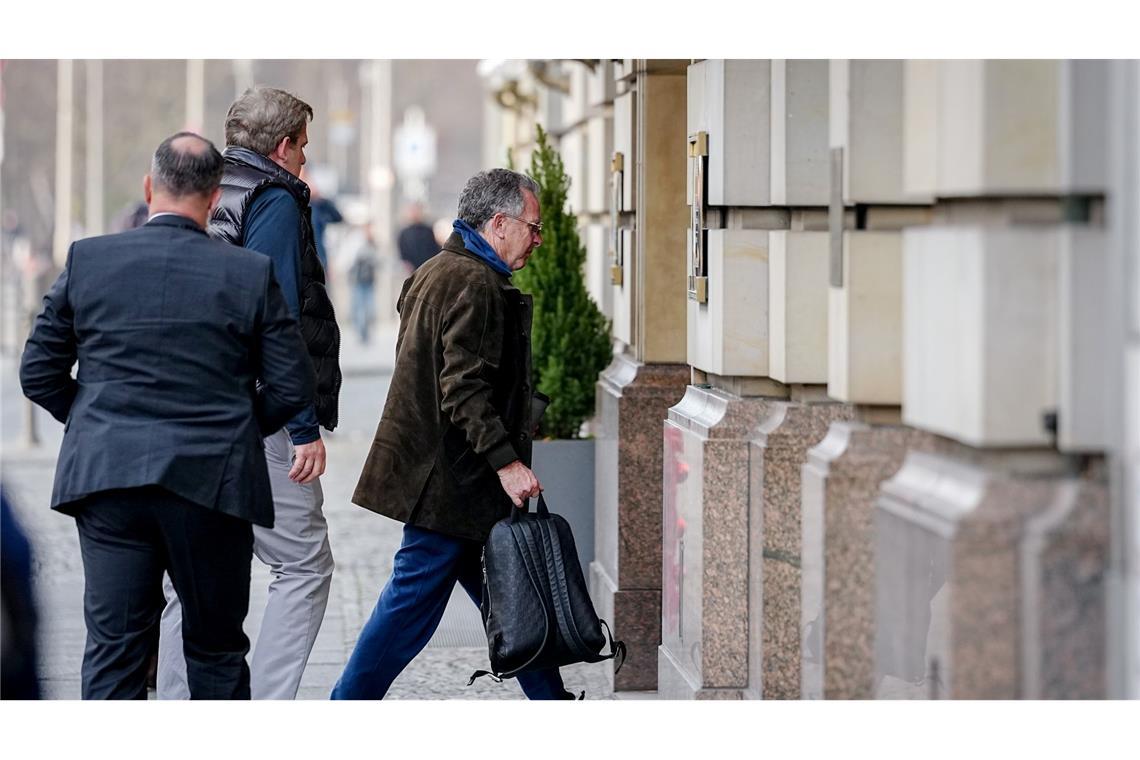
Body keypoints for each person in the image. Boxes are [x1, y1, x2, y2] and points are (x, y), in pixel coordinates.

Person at [19, 132, 315, 699]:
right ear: (212, 198)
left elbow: (38, 373)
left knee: (114, 652)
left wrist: (93, 418)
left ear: (149, 188)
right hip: (212, 484)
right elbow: (291, 383)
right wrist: (238, 426)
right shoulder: (247, 272)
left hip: (109, 482)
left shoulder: (89, 259)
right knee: (215, 652)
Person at [331, 168, 575, 700]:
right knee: (409, 608)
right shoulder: (475, 283)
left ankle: (553, 704)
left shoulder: (437, 270)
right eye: (533, 227)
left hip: (449, 479)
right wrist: (508, 462)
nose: (538, 239)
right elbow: (461, 389)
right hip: (447, 484)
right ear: (499, 223)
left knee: (512, 597)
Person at [158, 86, 342, 701]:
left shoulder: (204, 190)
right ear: (284, 145)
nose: (305, 164)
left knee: (190, 572)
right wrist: (302, 426)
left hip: (194, 405)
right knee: (303, 564)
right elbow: (278, 315)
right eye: (305, 150)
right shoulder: (274, 200)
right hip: (258, 412)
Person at [347, 226, 377, 343]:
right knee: (358, 308)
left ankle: (366, 332)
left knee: (369, 308)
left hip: (369, 281)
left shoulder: (372, 245)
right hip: (357, 281)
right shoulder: (355, 245)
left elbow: (377, 261)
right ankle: (361, 332)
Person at [396, 201, 439, 272]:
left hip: (427, 268)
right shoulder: (404, 233)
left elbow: (434, 249)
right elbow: (403, 252)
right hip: (412, 269)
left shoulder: (428, 230)